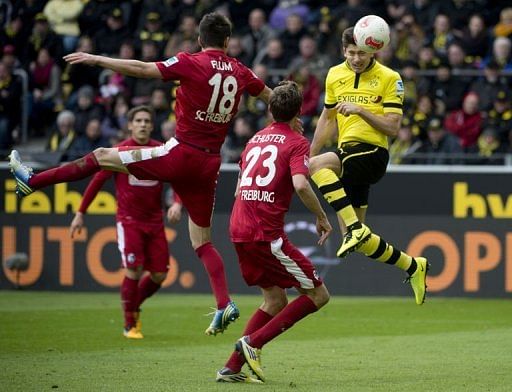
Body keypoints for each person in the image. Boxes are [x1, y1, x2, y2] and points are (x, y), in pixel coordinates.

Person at [9, 12, 273, 335]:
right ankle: (223, 304)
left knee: (102, 156)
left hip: (180, 152)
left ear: (201, 40)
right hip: (210, 164)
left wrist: (97, 59)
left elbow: (142, 69)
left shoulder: (192, 62)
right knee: (203, 241)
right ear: (228, 42)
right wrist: (289, 120)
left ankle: (31, 181)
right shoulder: (241, 71)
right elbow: (270, 96)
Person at [216, 81, 332, 383]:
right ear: (300, 112)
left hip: (238, 227)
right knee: (319, 295)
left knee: (274, 300)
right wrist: (321, 216)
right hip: (265, 234)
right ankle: (253, 344)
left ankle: (231, 367)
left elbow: (240, 186)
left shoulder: (254, 139)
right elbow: (301, 184)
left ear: (269, 109)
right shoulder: (296, 142)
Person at [308, 26, 429, 306]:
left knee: (318, 167)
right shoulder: (335, 75)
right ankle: (413, 266)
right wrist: (310, 154)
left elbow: (394, 127)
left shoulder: (390, 78)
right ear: (343, 51)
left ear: (373, 50)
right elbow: (327, 120)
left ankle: (354, 228)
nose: (356, 58)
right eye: (351, 53)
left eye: (362, 53)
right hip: (347, 153)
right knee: (359, 241)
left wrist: (362, 110)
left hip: (373, 153)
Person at [69, 106, 182, 339]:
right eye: (138, 120)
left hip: (155, 222)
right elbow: (97, 180)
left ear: (152, 125)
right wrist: (81, 212)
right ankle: (130, 323)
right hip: (129, 221)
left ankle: (132, 304)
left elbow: (178, 180)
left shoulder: (160, 150)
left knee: (160, 274)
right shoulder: (120, 151)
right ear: (130, 125)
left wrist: (177, 203)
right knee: (133, 269)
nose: (142, 124)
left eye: (146, 120)